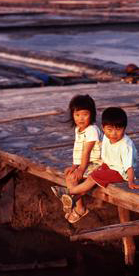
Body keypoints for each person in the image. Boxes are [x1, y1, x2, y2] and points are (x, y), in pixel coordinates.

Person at [53, 107, 139, 223]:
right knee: (93, 175)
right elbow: (105, 156)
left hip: (121, 172)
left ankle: (69, 192)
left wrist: (131, 182)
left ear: (125, 128)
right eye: (109, 130)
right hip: (110, 166)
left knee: (93, 177)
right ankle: (73, 199)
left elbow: (129, 167)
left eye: (118, 129)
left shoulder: (126, 145)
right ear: (103, 128)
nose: (114, 134)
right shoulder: (106, 137)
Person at [51, 94, 102, 223]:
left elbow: (87, 152)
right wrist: (75, 166)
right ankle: (78, 207)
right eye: (77, 115)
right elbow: (78, 149)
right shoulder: (78, 129)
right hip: (88, 162)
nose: (81, 118)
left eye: (85, 114)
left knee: (79, 177)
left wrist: (81, 169)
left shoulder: (92, 130)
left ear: (92, 114)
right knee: (70, 176)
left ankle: (72, 199)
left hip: (99, 162)